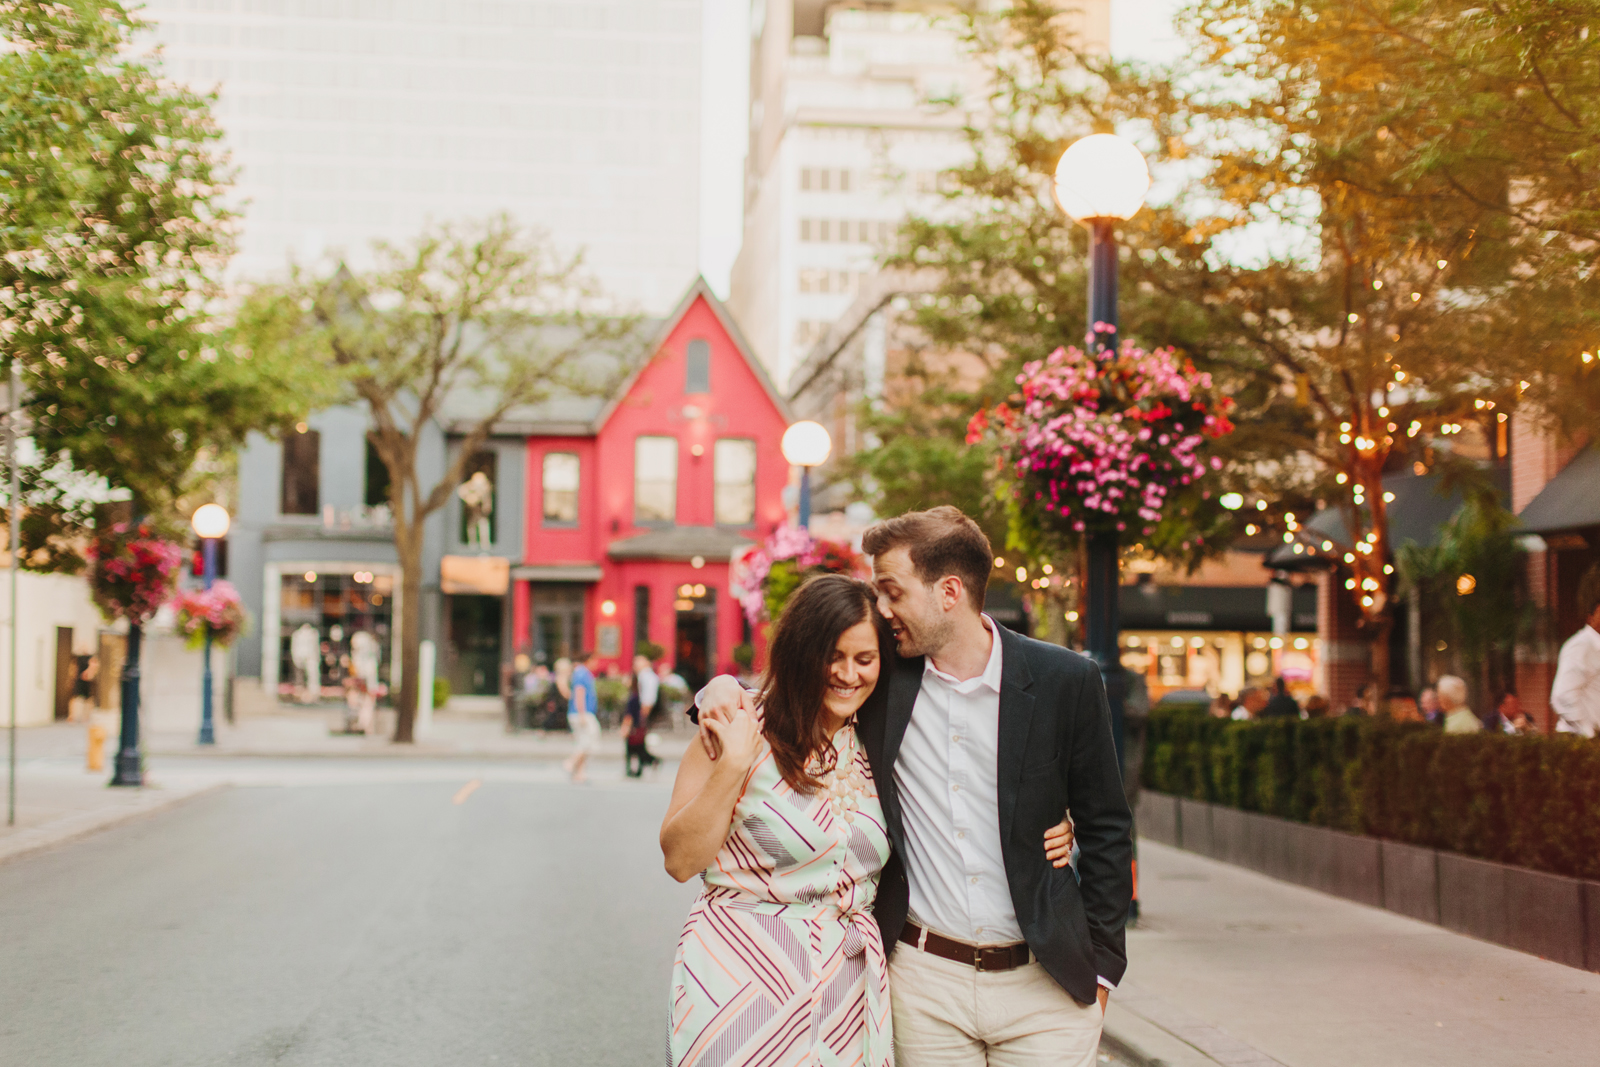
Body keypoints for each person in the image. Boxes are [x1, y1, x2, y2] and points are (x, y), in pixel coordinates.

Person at [696, 506, 1130, 1066]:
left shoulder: (1063, 680)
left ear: (949, 591)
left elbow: (1108, 827)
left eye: (892, 592)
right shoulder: (882, 679)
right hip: (924, 984)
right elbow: (800, 680)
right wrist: (720, 688)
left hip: (1044, 985)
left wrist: (1102, 970)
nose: (881, 608)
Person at [1551, 573, 1600, 737]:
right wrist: (1588, 733)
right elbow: (1563, 696)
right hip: (1579, 740)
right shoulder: (1581, 646)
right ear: (1590, 618)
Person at [562, 651, 601, 783]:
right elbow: (579, 693)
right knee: (589, 741)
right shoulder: (581, 673)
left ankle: (580, 772)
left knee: (582, 741)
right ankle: (571, 762)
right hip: (583, 713)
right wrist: (582, 712)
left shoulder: (582, 672)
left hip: (582, 712)